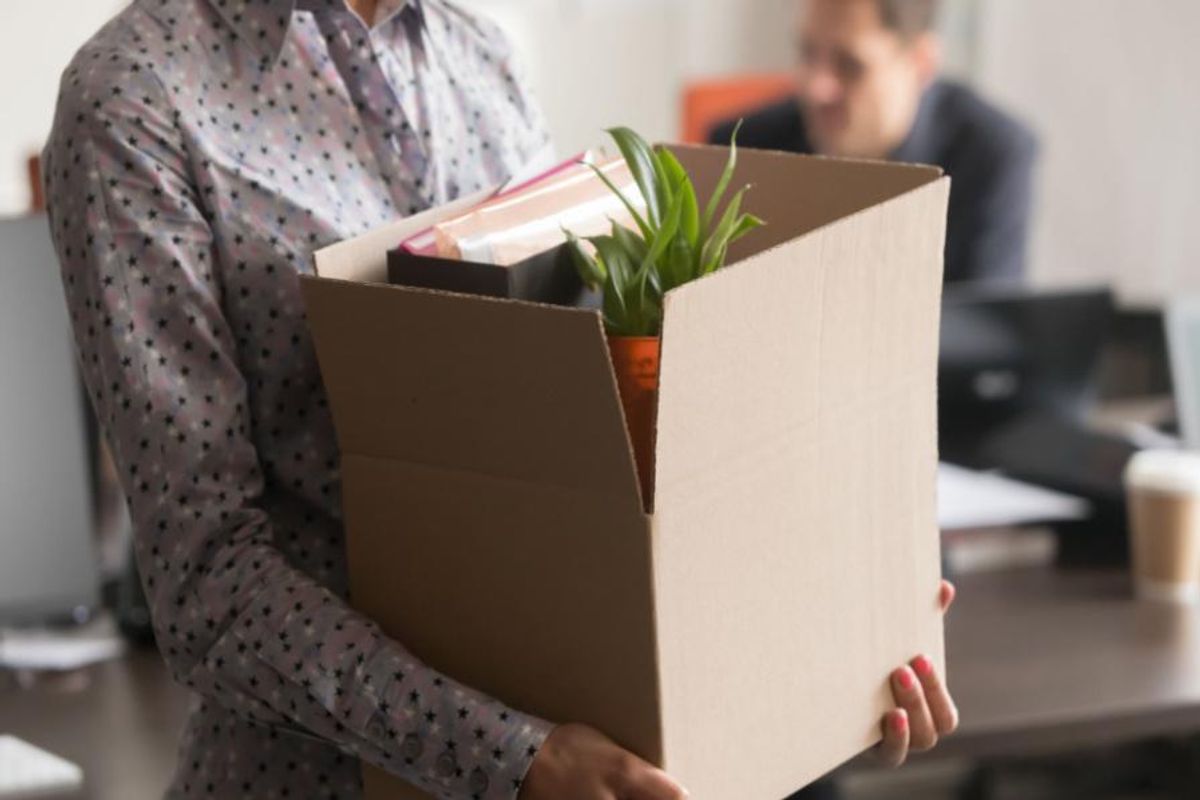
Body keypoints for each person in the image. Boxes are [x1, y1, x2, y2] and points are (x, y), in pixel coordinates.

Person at [42, 0, 958, 797]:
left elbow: (581, 468)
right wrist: (517, 761)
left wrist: (827, 654)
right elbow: (209, 588)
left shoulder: (484, 57)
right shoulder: (137, 98)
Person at [711, 0, 1038, 286]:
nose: (816, 88)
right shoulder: (743, 149)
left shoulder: (992, 156)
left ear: (922, 63)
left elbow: (987, 341)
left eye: (850, 65)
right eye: (808, 52)